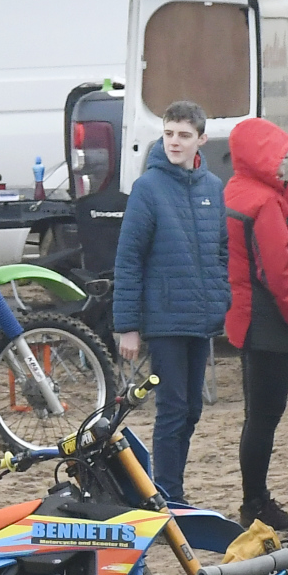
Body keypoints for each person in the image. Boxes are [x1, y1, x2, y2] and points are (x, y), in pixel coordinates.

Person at [112, 103, 227, 505]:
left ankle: (172, 491)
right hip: (164, 320)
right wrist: (128, 326)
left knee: (192, 409)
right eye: (169, 134)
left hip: (200, 318)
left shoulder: (213, 187)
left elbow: (221, 250)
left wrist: (221, 297)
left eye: (183, 135)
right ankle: (168, 496)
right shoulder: (148, 188)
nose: (174, 142)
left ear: (201, 139)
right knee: (173, 409)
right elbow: (129, 257)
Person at [222, 117, 288, 533]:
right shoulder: (265, 204)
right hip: (270, 323)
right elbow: (278, 272)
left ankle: (255, 499)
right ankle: (255, 502)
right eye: (280, 159)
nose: (285, 167)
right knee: (263, 417)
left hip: (248, 318)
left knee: (256, 415)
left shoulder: (237, 192)